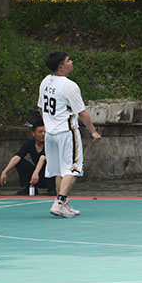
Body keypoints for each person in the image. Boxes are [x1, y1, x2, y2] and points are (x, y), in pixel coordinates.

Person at [37, 52, 102, 218]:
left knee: (60, 170)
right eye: (68, 60)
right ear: (61, 67)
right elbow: (82, 113)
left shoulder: (45, 81)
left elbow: (41, 108)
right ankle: (59, 202)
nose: (71, 62)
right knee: (74, 168)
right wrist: (93, 131)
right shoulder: (69, 86)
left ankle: (63, 203)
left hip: (50, 134)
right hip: (66, 133)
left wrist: (49, 124)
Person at [0, 115, 55, 196]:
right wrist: (5, 171)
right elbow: (18, 156)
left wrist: (36, 173)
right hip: (36, 175)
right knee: (20, 162)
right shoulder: (29, 143)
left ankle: (52, 188)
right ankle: (29, 187)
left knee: (48, 164)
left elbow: (43, 158)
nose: (43, 134)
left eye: (45, 132)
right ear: (33, 133)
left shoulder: (50, 144)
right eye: (40, 132)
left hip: (49, 176)